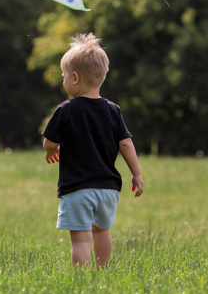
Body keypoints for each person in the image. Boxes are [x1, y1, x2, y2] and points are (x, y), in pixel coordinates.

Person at [42, 33, 144, 268]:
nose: (63, 80)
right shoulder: (113, 110)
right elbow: (126, 144)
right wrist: (136, 174)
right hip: (108, 189)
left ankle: (82, 280)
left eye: (64, 76)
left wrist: (50, 151)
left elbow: (49, 142)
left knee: (81, 239)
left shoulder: (66, 109)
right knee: (101, 231)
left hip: (77, 188)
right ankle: (102, 273)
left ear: (75, 77)